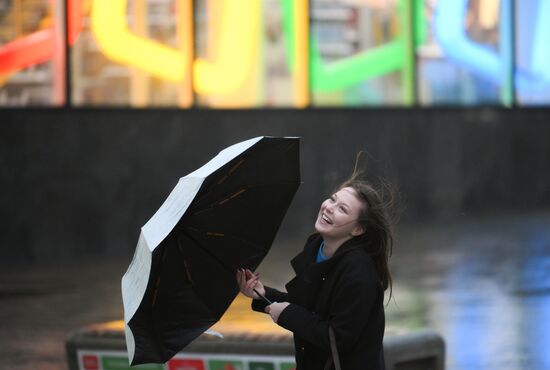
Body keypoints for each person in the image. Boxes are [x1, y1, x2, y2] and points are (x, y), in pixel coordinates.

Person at [236, 167, 395, 370]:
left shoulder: (360, 273)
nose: (329, 207)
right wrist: (262, 293)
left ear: (358, 229)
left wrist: (288, 315)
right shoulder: (315, 249)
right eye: (332, 199)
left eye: (342, 209)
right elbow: (308, 309)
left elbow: (339, 338)